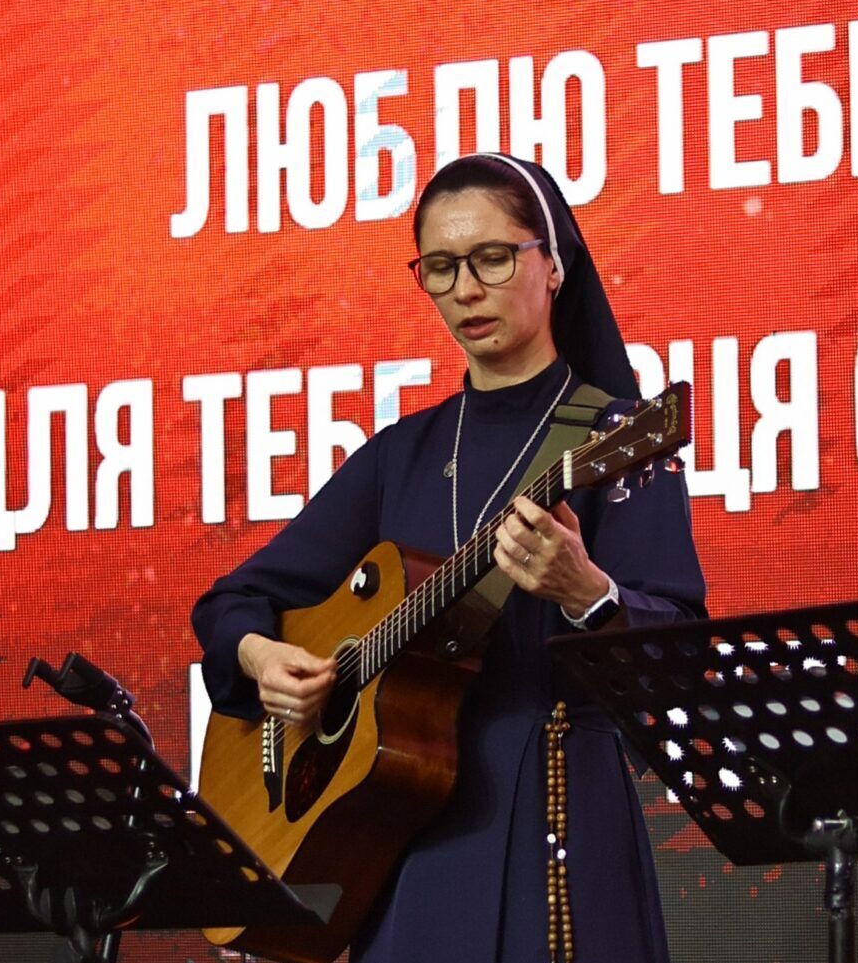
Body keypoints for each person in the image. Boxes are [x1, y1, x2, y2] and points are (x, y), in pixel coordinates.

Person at [192, 152, 705, 963]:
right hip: (404, 843)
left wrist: (588, 592)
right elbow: (232, 602)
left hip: (558, 824)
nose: (466, 288)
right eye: (440, 266)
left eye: (492, 257)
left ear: (553, 263)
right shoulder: (399, 455)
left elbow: (682, 659)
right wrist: (261, 657)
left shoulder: (617, 437)